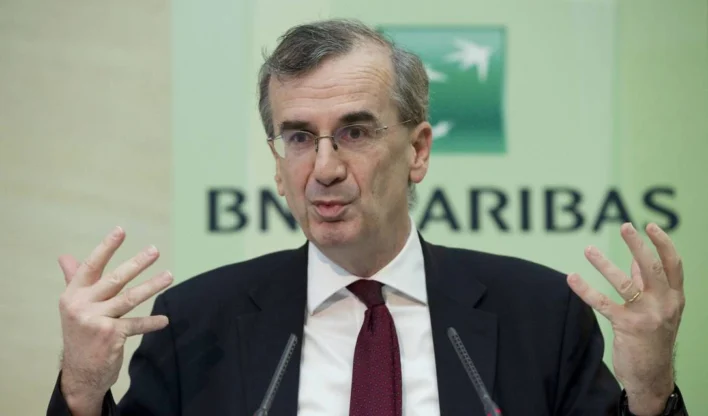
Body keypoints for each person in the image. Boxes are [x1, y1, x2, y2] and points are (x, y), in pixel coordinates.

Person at [47, 19, 688, 416]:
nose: (324, 168)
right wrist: (81, 390)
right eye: (299, 137)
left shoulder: (542, 314)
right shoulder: (193, 325)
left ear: (418, 151)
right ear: (278, 164)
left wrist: (649, 393)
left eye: (354, 132)